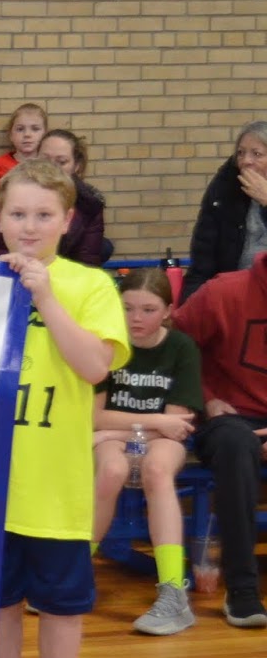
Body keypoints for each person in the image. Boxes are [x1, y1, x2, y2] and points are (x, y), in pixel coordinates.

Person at [0, 158, 129, 658]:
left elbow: (96, 367)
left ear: (67, 221)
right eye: (17, 214)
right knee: (1, 602)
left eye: (44, 215)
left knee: (62, 607)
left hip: (56, 483)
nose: (29, 226)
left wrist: (44, 293)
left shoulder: (90, 285)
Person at [91, 268, 202, 635]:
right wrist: (148, 421)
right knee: (111, 470)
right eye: (127, 308)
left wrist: (115, 426)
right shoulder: (108, 346)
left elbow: (178, 424)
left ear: (168, 311)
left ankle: (173, 592)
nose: (136, 318)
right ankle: (73, 576)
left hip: (158, 441)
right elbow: (93, 416)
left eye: (148, 309)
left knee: (157, 469)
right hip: (127, 437)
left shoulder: (181, 348)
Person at [173, 252, 267, 629]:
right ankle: (242, 589)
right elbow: (174, 347)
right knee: (235, 444)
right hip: (227, 417)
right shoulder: (223, 292)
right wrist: (205, 396)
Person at [0, 128, 106, 266]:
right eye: (18, 214)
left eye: (61, 162)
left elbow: (87, 262)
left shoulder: (90, 204)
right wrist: (3, 268)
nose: (51, 167)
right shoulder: (11, 193)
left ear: (76, 166)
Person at [180, 120, 267, 302]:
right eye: (241, 153)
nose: (246, 161)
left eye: (257, 154)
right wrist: (189, 305)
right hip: (232, 295)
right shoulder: (225, 189)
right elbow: (203, 259)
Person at [0, 102, 48, 204]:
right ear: (11, 135)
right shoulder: (0, 165)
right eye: (20, 129)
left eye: (35, 129)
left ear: (45, 134)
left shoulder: (50, 163)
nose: (27, 134)